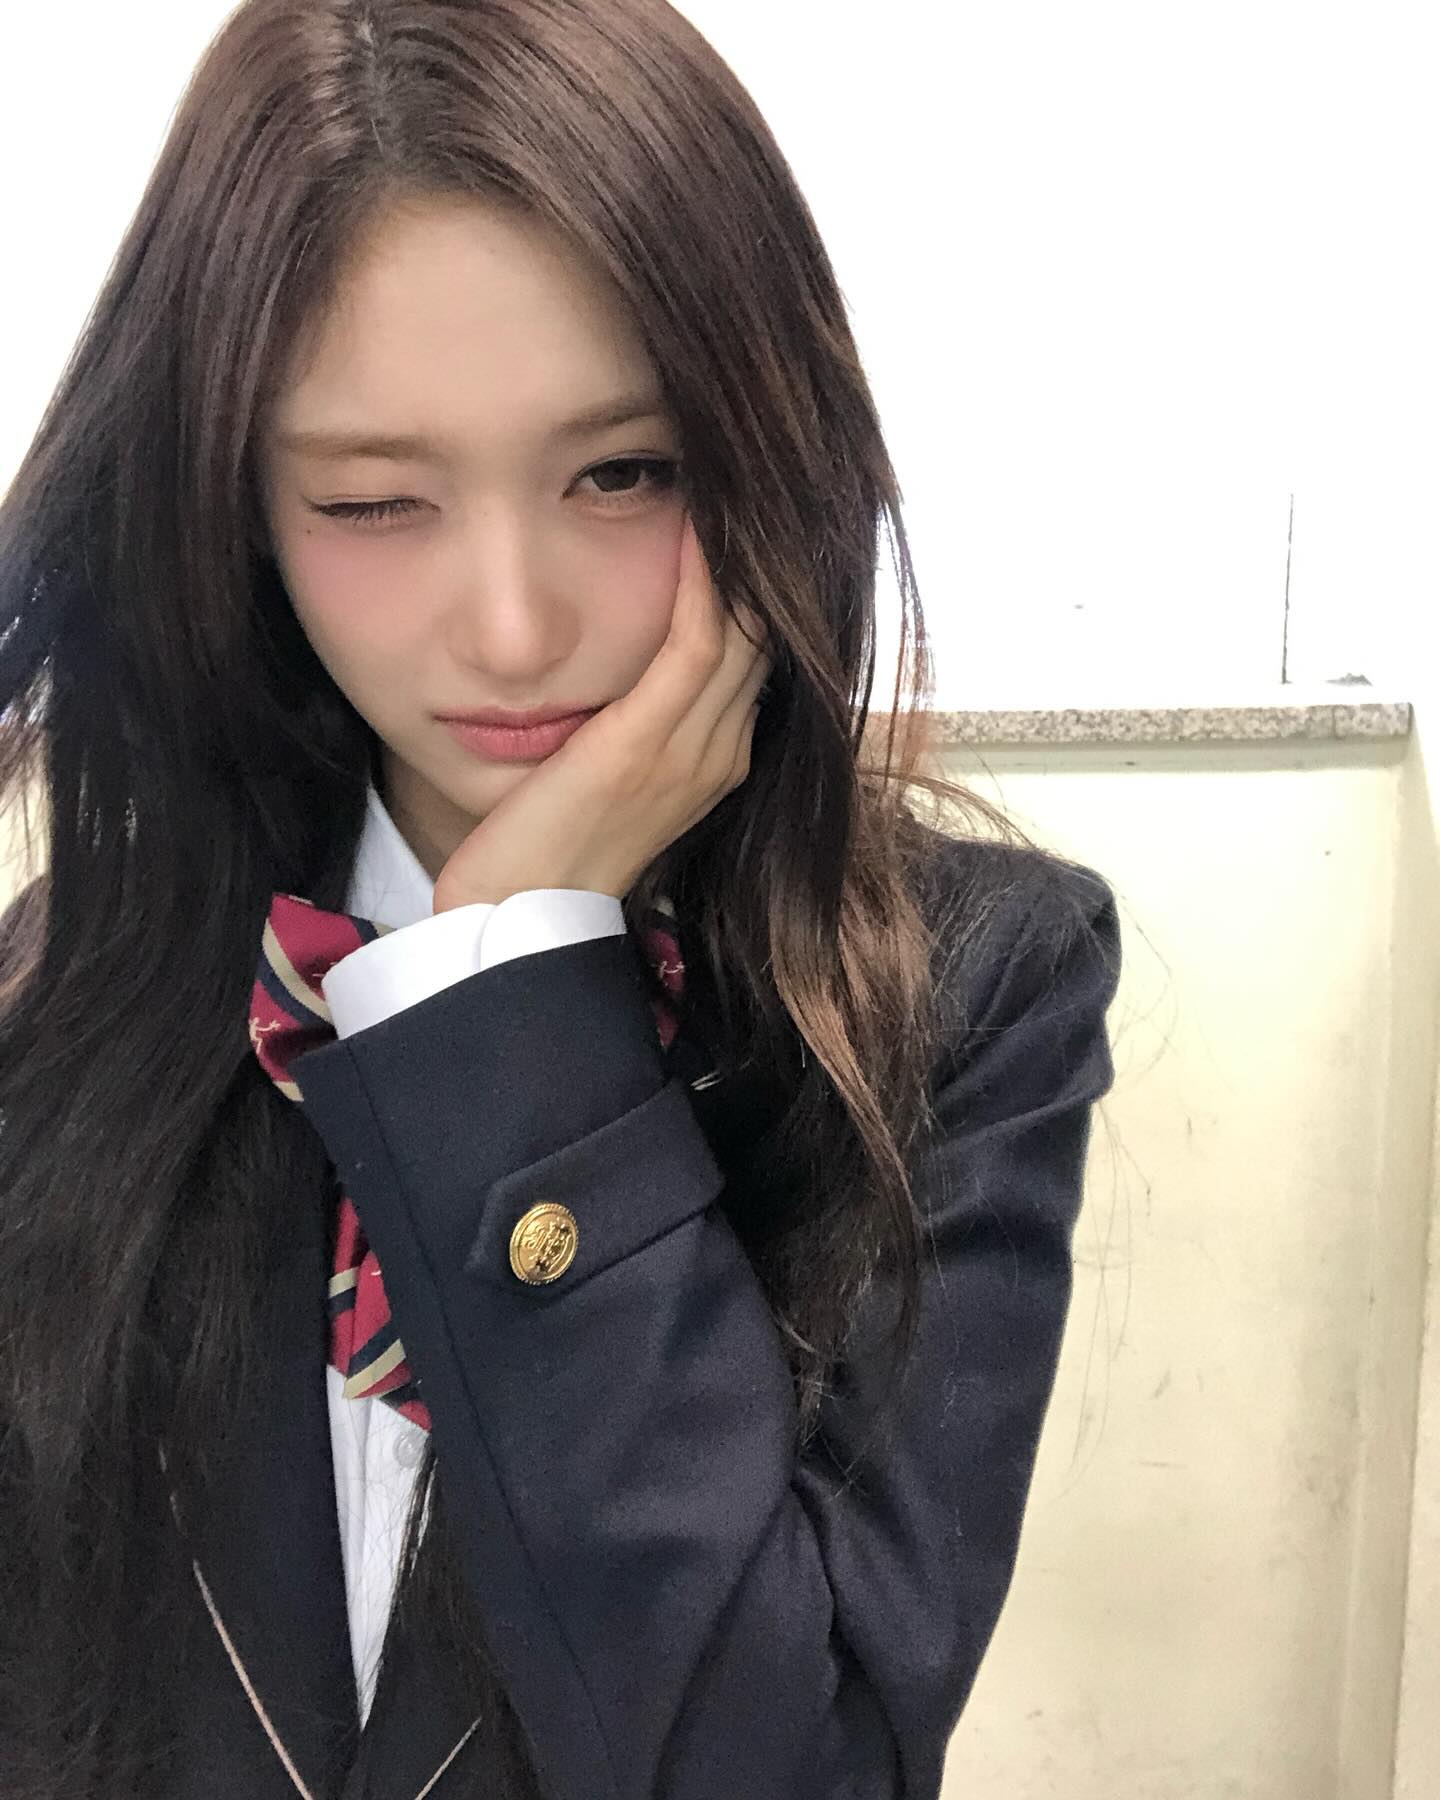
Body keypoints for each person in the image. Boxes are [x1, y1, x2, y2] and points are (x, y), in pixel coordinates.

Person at [0, 2, 1123, 1796]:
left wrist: (511, 997)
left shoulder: (977, 989)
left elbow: (790, 1769)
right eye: (375, 501)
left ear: (771, 459)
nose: (515, 631)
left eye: (624, 473)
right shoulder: (76, 979)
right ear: (237, 511)